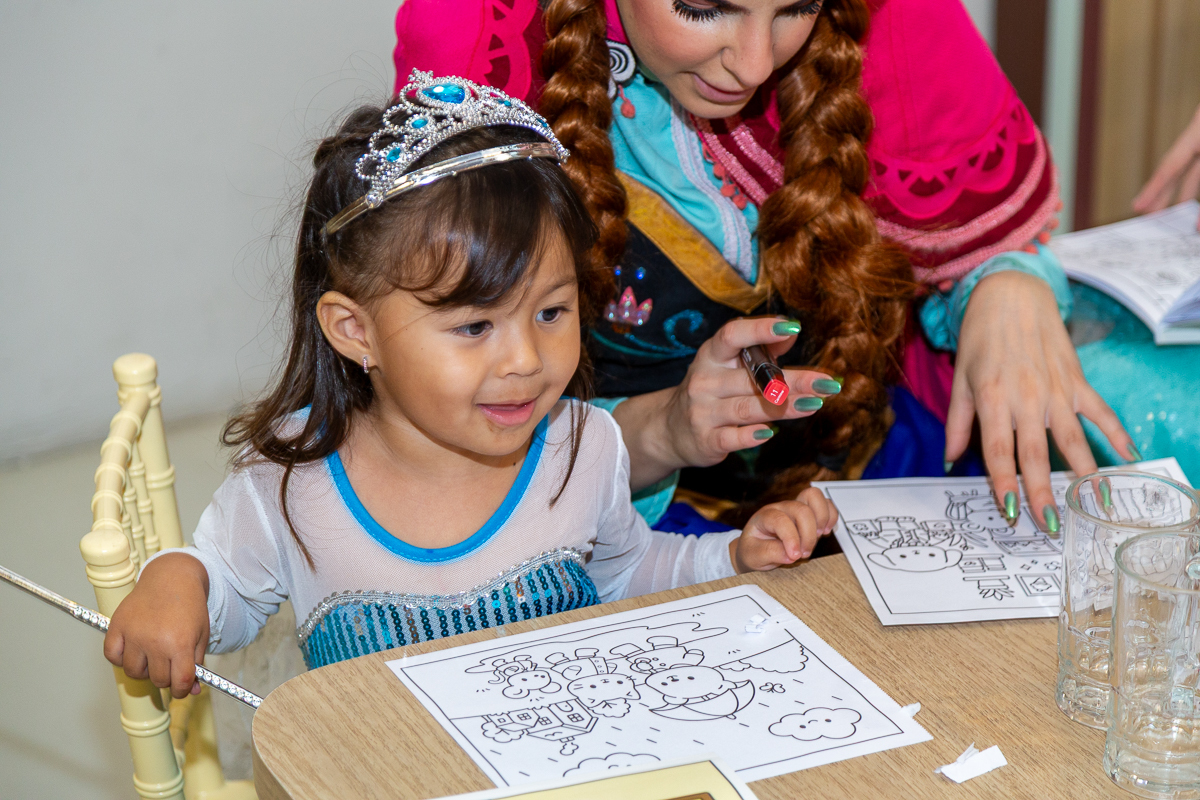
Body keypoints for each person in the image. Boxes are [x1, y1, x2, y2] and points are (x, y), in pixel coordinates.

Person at [101, 74, 837, 698]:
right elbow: (222, 599)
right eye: (475, 327)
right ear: (355, 330)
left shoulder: (584, 447)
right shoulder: (292, 480)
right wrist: (180, 580)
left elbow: (626, 574)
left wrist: (733, 557)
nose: (525, 358)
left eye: (552, 312)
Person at [393, 0, 1143, 537]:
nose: (753, 64)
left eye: (797, 7)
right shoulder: (483, 44)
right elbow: (449, 421)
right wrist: (661, 430)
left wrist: (1005, 286)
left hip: (878, 480)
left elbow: (954, 248)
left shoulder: (896, 19)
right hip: (610, 527)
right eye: (702, 8)